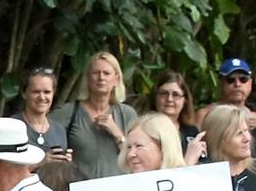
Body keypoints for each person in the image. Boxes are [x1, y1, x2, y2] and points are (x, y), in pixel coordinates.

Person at [45, 52, 136, 180]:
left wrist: (117, 133)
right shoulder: (68, 112)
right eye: (96, 73)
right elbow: (40, 133)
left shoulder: (127, 114)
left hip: (119, 190)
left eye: (106, 73)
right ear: (88, 78)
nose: (101, 77)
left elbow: (136, 158)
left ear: (116, 79)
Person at [11, 67, 59, 156]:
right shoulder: (11, 127)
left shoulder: (59, 129)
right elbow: (4, 167)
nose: (42, 97)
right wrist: (42, 163)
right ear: (24, 93)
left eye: (47, 92)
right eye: (36, 92)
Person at [143, 71, 193, 147]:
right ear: (155, 97)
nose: (169, 99)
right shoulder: (144, 130)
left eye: (176, 95)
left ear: (185, 100)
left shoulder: (191, 132)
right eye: (164, 93)